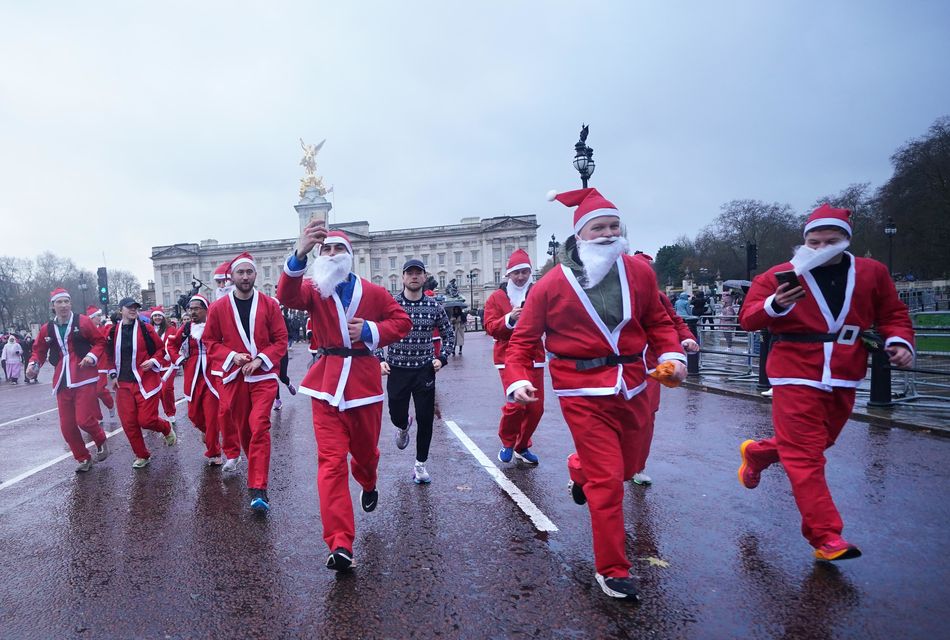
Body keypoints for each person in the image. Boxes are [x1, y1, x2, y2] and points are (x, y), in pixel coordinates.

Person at [505, 188, 687, 600]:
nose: (607, 233)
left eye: (612, 226)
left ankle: (580, 469)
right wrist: (518, 380)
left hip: (635, 384)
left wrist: (672, 354)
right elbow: (522, 343)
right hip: (582, 390)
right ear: (579, 234)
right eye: (598, 227)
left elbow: (658, 322)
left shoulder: (640, 273)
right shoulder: (551, 284)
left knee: (630, 465)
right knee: (609, 481)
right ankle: (612, 568)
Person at [737, 204, 915, 562]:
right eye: (813, 241)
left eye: (830, 241)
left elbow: (893, 313)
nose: (820, 248)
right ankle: (826, 535)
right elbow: (748, 319)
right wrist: (774, 305)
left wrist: (899, 342)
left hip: (844, 370)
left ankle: (757, 452)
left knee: (822, 441)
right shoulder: (779, 274)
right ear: (804, 241)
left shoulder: (871, 272)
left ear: (846, 240)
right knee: (805, 455)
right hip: (793, 370)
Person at [278, 226, 411, 572]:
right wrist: (300, 252)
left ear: (350, 256)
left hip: (364, 384)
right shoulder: (313, 288)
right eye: (326, 249)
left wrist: (370, 331)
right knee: (331, 462)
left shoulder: (375, 292)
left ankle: (368, 480)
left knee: (365, 455)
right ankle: (339, 542)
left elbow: (401, 321)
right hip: (326, 384)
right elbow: (286, 296)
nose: (332, 253)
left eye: (339, 248)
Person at [204, 252, 287, 512]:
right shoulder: (218, 307)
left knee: (259, 425)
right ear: (232, 276)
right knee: (244, 429)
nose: (245, 277)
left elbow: (280, 339)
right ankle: (253, 468)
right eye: (240, 272)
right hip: (235, 376)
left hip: (263, 375)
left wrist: (260, 359)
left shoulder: (269, 304)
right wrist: (233, 356)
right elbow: (210, 342)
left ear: (255, 275)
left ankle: (258, 488)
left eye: (249, 272)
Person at [379, 259, 455, 484]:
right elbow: (375, 332)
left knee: (425, 419)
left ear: (424, 277)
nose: (414, 276)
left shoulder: (434, 307)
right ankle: (403, 427)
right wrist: (378, 359)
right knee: (396, 414)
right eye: (409, 273)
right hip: (396, 369)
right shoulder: (391, 305)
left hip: (424, 371)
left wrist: (442, 358)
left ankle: (420, 465)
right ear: (402, 278)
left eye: (418, 273)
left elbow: (448, 334)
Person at [630, 253, 700, 485]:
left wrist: (687, 338)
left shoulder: (658, 297)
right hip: (622, 365)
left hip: (651, 366)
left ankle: (638, 467)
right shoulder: (617, 295)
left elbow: (674, 321)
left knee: (647, 418)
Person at [26, 289, 109, 472]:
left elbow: (100, 342)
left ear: (70, 304)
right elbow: (38, 350)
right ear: (53, 306)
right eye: (59, 302)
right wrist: (33, 366)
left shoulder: (83, 322)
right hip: (62, 380)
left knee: (85, 420)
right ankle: (83, 458)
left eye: (66, 301)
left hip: (83, 376)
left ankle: (101, 439)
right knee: (67, 426)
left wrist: (91, 356)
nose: (63, 305)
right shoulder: (47, 328)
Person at [484, 248, 545, 465]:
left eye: (525, 272)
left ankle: (522, 445)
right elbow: (490, 326)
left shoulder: (539, 292)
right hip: (508, 357)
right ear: (508, 274)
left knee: (536, 408)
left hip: (534, 356)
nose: (520, 277)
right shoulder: (496, 297)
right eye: (516, 272)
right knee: (517, 405)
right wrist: (509, 318)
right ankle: (508, 442)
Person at [105, 297, 177, 468]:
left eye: (135, 307)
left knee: (146, 420)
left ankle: (165, 427)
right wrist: (112, 374)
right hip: (123, 383)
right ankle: (142, 455)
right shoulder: (113, 331)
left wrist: (153, 361)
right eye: (129, 307)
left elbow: (161, 349)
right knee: (129, 423)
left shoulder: (146, 329)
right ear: (121, 309)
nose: (133, 310)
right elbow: (108, 355)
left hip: (145, 380)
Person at [168, 293, 224, 465]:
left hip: (212, 375)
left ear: (206, 310)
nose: (193, 312)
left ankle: (214, 453)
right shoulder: (185, 329)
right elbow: (171, 345)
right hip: (193, 376)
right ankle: (206, 431)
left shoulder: (216, 326)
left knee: (212, 414)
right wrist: (178, 359)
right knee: (193, 414)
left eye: (196, 309)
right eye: (190, 309)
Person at [85, 306, 116, 420]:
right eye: (97, 316)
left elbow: (111, 332)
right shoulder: (85, 330)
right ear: (91, 318)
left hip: (102, 363)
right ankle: (98, 416)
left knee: (99, 390)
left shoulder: (104, 328)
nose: (100, 318)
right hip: (88, 364)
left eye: (99, 315)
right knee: (90, 394)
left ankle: (110, 405)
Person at [149, 307, 178, 427]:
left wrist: (170, 356)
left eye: (159, 315)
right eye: (155, 316)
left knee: (166, 389)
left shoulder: (171, 329)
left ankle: (171, 413)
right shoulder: (149, 329)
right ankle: (154, 415)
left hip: (169, 364)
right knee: (157, 391)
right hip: (155, 365)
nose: (157, 318)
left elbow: (177, 344)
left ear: (163, 317)